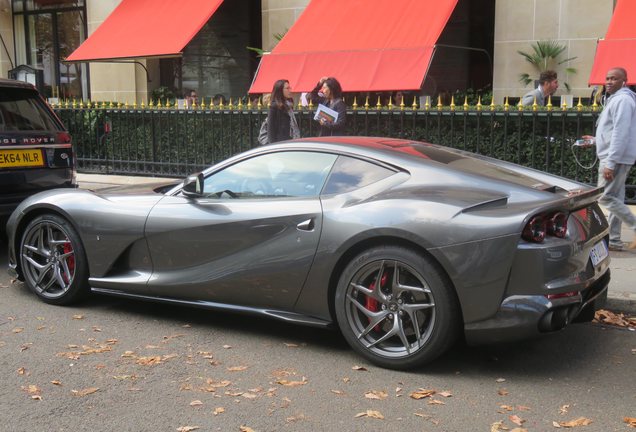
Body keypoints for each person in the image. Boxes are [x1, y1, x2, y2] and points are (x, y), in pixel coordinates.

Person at [581, 67, 636, 251]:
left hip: (614, 158)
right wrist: (596, 140)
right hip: (616, 156)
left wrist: (611, 163)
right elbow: (614, 132)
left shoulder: (623, 100)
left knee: (604, 197)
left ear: (624, 81)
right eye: (607, 78)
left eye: (614, 78)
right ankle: (614, 240)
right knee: (615, 198)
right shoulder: (617, 99)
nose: (609, 81)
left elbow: (621, 133)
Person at [267, 79, 300, 143]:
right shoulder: (274, 106)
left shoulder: (289, 104)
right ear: (280, 90)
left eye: (290, 88)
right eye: (287, 88)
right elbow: (270, 129)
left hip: (292, 140)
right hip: (281, 143)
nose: (290, 90)